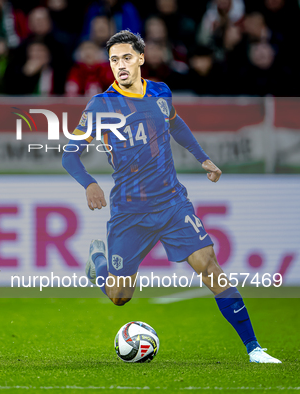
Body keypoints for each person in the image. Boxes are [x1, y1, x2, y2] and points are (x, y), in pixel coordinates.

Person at [61, 30, 281, 364]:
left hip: (171, 203)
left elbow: (176, 125)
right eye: (113, 60)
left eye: (126, 58)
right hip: (129, 211)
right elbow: (69, 155)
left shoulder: (161, 93)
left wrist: (202, 156)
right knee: (120, 296)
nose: (120, 65)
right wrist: (90, 183)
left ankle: (254, 349)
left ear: (141, 58)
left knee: (210, 267)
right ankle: (100, 265)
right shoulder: (100, 106)